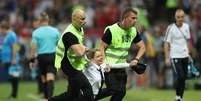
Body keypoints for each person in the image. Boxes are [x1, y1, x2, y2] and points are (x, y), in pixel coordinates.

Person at [99, 8, 146, 101]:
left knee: (121, 92)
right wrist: (104, 63)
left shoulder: (133, 31)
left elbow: (142, 47)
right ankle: (89, 97)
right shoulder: (111, 30)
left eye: (136, 18)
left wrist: (136, 59)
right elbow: (101, 47)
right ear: (125, 18)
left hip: (121, 66)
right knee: (113, 89)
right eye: (133, 18)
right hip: (109, 66)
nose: (135, 21)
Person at [49, 9, 94, 101]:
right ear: (74, 19)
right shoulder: (69, 34)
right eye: (82, 19)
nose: (85, 21)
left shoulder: (79, 28)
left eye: (85, 18)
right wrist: (86, 49)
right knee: (88, 90)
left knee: (72, 95)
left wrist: (84, 53)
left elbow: (79, 48)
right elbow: (79, 52)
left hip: (73, 63)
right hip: (68, 65)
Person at [29, 12, 60, 100]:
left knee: (44, 78)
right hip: (52, 55)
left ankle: (46, 98)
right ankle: (49, 98)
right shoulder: (55, 30)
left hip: (41, 57)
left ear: (40, 21)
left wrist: (31, 60)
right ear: (48, 20)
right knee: (50, 77)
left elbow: (33, 47)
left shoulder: (36, 32)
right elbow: (60, 45)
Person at [164, 9, 191, 101]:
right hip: (175, 56)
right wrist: (167, 57)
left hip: (185, 55)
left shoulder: (187, 27)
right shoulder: (170, 28)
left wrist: (189, 54)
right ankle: (177, 96)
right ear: (175, 17)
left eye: (182, 17)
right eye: (178, 17)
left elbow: (187, 41)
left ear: (184, 17)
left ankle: (180, 98)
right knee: (180, 76)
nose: (180, 19)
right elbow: (166, 43)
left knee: (184, 78)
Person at [0, 21, 20, 99]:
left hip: (12, 60)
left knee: (14, 76)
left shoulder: (12, 35)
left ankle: (14, 95)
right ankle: (13, 94)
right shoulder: (3, 36)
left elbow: (14, 47)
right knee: (11, 77)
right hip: (6, 60)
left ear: (4, 28)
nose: (0, 31)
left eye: (0, 29)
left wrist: (14, 59)